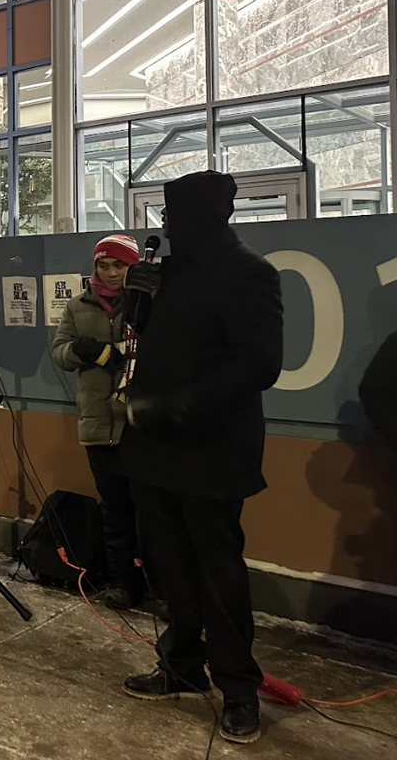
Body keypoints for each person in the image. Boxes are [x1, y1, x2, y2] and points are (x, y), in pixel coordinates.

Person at [118, 170, 282, 746]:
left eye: (170, 216)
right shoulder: (164, 278)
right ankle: (182, 665)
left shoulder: (249, 274)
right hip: (155, 448)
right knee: (169, 566)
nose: (164, 226)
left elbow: (260, 365)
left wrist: (179, 405)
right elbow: (144, 344)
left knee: (218, 573)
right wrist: (134, 302)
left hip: (211, 449)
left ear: (200, 218)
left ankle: (238, 688)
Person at [51, 234, 147, 609]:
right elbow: (59, 351)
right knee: (115, 509)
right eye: (103, 265)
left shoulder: (144, 303)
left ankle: (165, 584)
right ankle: (124, 582)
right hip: (97, 424)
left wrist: (122, 353)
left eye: (118, 266)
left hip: (140, 423)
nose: (109, 274)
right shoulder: (78, 305)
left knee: (151, 510)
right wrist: (81, 350)